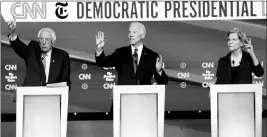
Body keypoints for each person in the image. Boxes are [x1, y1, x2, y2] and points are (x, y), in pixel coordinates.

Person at [95, 22, 168, 113]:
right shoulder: (121, 53)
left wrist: (159, 70)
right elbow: (102, 62)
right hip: (122, 102)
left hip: (144, 104)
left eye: (134, 32)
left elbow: (163, 82)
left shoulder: (152, 56)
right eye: (129, 32)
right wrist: (99, 49)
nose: (130, 35)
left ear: (142, 35)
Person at [7, 18, 71, 90]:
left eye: (47, 39)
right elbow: (19, 47)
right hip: (31, 94)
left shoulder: (62, 56)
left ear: (53, 42)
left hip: (52, 96)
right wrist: (13, 33)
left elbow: (65, 81)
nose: (44, 42)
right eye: (41, 39)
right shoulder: (32, 50)